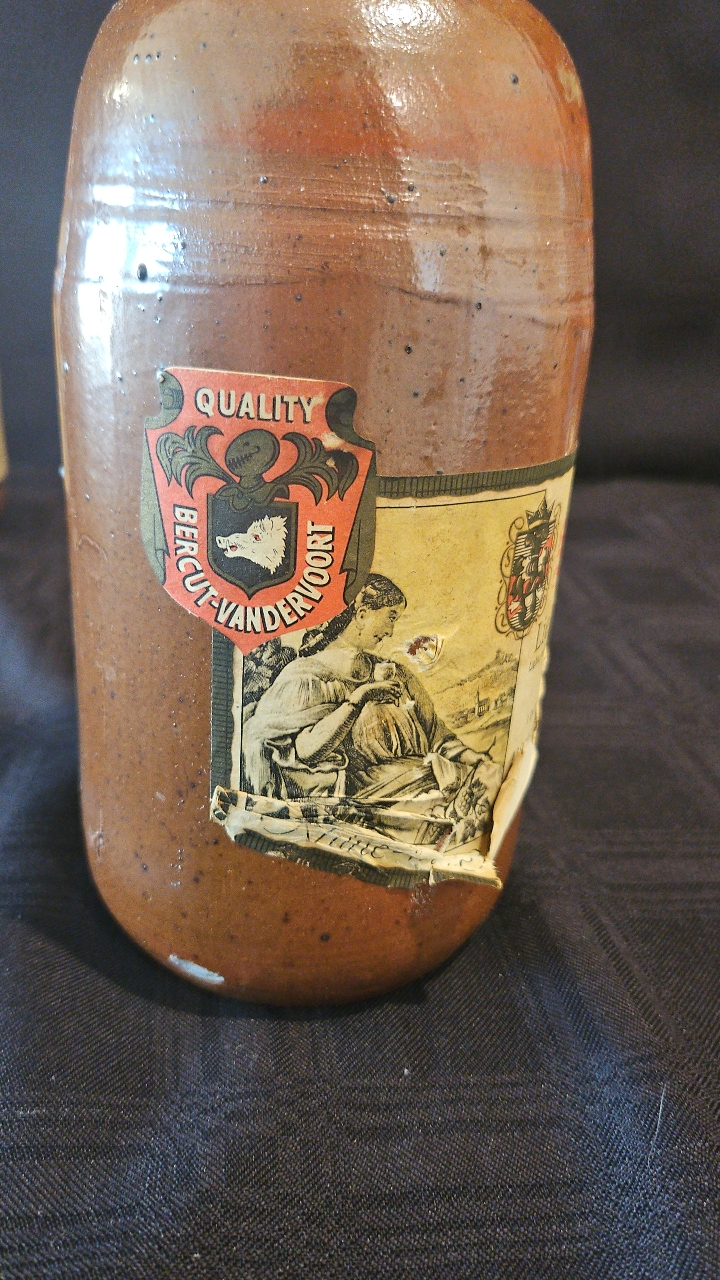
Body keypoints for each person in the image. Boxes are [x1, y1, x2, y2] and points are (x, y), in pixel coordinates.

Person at [241, 574, 500, 851]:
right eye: (390, 617)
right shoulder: (305, 678)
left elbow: (437, 735)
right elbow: (305, 752)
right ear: (362, 614)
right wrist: (358, 699)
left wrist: (472, 757)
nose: (390, 631)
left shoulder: (398, 674)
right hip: (375, 809)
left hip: (429, 785)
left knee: (491, 781)